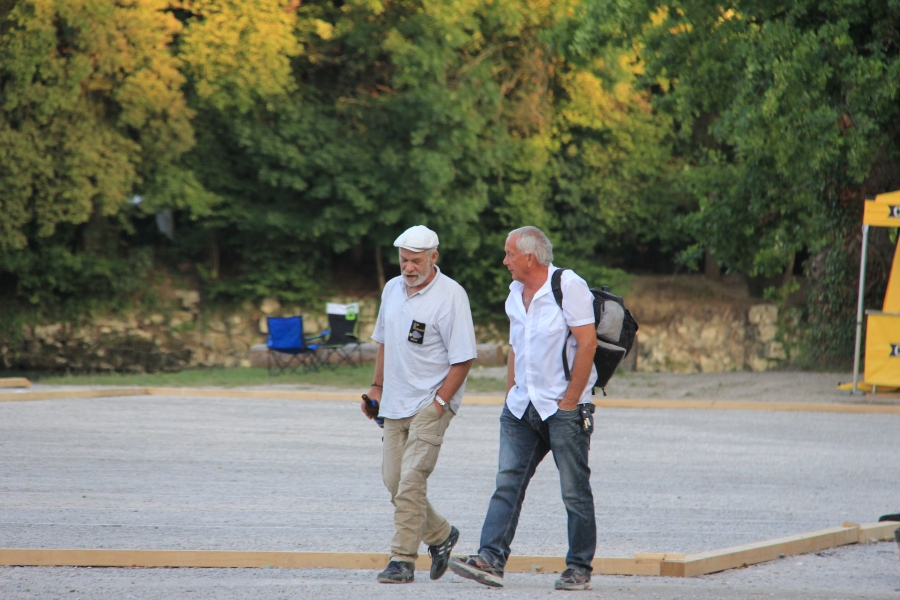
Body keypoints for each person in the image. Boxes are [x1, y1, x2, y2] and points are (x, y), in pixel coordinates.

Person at [449, 226, 598, 591]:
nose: (505, 261)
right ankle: (490, 559)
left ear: (529, 257)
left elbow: (587, 342)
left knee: (574, 491)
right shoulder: (515, 292)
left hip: (563, 409)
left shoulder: (569, 286)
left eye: (509, 254)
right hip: (521, 408)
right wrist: (509, 395)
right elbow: (516, 347)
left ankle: (579, 568)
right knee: (507, 483)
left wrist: (570, 400)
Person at [362, 224, 477, 584]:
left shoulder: (451, 296)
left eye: (415, 261)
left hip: (432, 401)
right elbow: (384, 341)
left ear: (433, 258)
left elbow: (463, 359)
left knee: (411, 480)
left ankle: (402, 559)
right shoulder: (392, 289)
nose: (408, 268)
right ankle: (442, 536)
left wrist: (441, 402)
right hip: (395, 401)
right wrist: (377, 387)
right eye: (403, 260)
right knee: (394, 480)